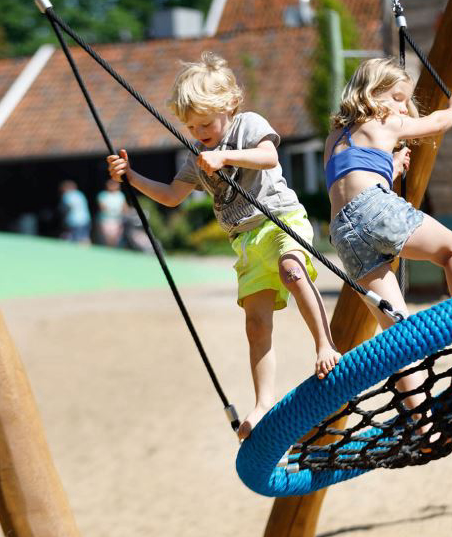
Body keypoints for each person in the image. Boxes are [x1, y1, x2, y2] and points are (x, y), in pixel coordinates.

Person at [107, 52, 338, 440]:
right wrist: (131, 177)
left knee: (292, 270)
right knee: (255, 323)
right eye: (191, 126)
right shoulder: (196, 157)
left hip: (279, 220)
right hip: (244, 242)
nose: (199, 132)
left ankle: (325, 346)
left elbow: (269, 157)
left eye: (205, 123)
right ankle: (263, 403)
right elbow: (171, 196)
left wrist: (225, 155)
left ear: (229, 105)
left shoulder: (249, 124)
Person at [324, 57, 452, 422]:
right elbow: (435, 124)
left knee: (398, 334)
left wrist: (391, 165)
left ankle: (422, 423)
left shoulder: (335, 137)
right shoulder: (383, 120)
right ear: (372, 94)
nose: (404, 108)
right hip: (373, 210)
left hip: (342, 232)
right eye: (398, 98)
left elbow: (354, 176)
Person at [58, 180, 91, 244]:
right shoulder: (80, 194)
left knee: (74, 239)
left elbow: (67, 208)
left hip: (73, 220)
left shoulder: (67, 195)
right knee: (84, 237)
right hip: (85, 219)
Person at [97, 179, 126, 247]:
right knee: (107, 238)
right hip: (106, 220)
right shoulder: (102, 195)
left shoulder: (120, 195)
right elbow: (102, 207)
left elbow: (124, 207)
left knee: (116, 239)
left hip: (118, 220)